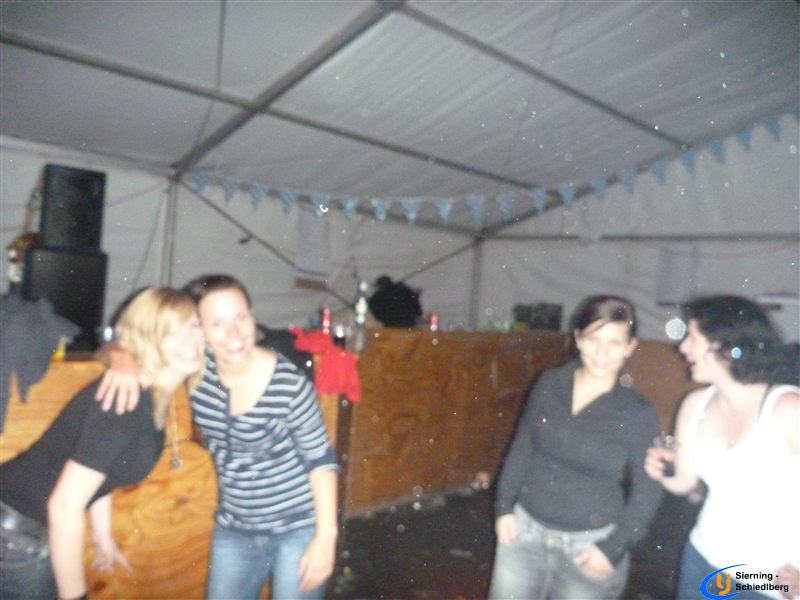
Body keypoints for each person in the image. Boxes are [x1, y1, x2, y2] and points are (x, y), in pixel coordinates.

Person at [97, 274, 339, 600]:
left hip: (298, 527)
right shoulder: (196, 369)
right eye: (217, 324)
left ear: (253, 317)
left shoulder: (288, 385)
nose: (234, 333)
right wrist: (122, 359)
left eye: (241, 317)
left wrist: (326, 537)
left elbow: (320, 459)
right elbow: (129, 338)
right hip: (235, 529)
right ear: (198, 330)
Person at [0, 287, 204, 600]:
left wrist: (102, 535)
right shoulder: (126, 402)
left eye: (193, 326)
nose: (190, 340)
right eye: (171, 332)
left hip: (23, 530)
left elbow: (101, 469)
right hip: (15, 534)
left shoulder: (151, 397)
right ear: (147, 338)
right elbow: (64, 506)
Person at [489, 295, 663, 600]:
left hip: (589, 548)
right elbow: (522, 447)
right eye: (594, 339)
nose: (602, 353)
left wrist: (613, 549)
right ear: (578, 338)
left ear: (630, 347)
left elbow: (648, 490)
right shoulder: (549, 383)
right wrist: (503, 508)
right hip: (523, 533)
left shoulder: (637, 412)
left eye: (614, 343)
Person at [645, 295, 799, 600]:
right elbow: (685, 481)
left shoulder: (787, 409)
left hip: (770, 581)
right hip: (703, 560)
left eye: (693, 338)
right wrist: (665, 470)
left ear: (728, 346)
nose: (683, 348)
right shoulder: (694, 405)